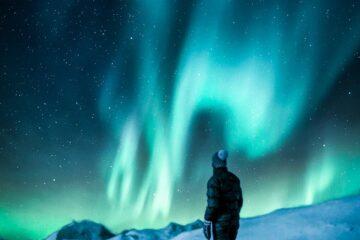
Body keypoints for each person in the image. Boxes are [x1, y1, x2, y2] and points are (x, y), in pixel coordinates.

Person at [203, 150, 243, 240]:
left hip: (221, 223)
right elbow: (240, 201)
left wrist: (207, 221)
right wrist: (233, 214)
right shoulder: (234, 179)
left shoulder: (214, 181)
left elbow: (213, 205)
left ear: (214, 164)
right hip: (234, 221)